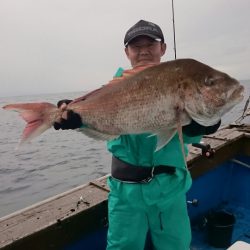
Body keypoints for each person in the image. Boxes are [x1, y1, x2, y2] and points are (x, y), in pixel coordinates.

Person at [54, 20, 221, 250]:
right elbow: (103, 119)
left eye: (150, 44)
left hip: (170, 188)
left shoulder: (180, 80)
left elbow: (191, 136)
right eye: (136, 46)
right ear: (127, 52)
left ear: (162, 48)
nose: (143, 50)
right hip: (125, 192)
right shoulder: (114, 88)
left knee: (177, 246)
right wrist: (75, 115)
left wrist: (202, 124)